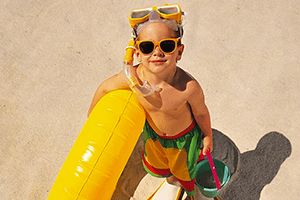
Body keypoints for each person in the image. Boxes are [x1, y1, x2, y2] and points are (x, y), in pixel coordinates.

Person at [88, 4, 213, 199]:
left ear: (179, 52)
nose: (157, 52)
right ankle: (171, 178)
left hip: (183, 140)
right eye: (147, 47)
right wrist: (91, 118)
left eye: (167, 45)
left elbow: (201, 113)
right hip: (154, 137)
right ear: (137, 52)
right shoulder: (133, 77)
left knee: (184, 170)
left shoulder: (188, 87)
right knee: (161, 164)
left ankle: (180, 184)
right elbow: (104, 87)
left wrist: (207, 136)